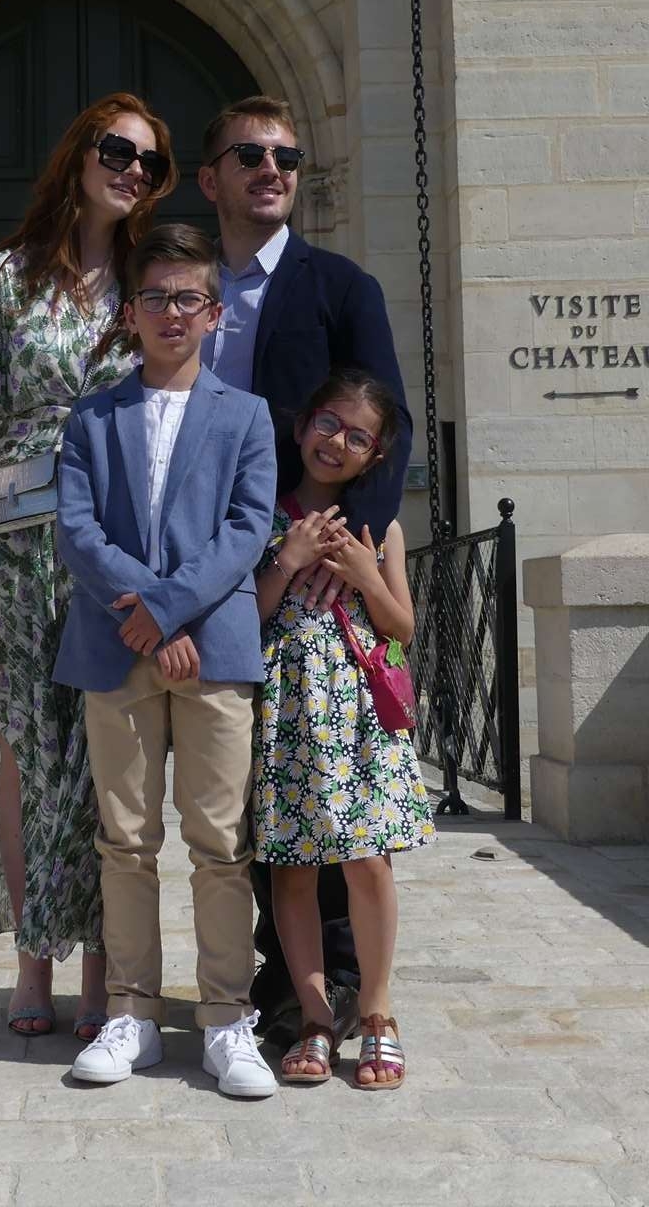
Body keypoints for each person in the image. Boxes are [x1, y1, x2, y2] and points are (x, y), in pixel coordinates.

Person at [0, 94, 178, 1042]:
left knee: (105, 754)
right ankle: (31, 955)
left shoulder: (154, 277)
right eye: (116, 149)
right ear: (77, 152)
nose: (131, 169)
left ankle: (103, 963)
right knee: (24, 754)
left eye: (150, 161)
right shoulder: (4, 277)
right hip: (17, 545)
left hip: (121, 537)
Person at [196, 93, 414, 1045]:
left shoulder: (342, 285)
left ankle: (323, 997)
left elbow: (389, 430)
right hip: (203, 567)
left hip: (305, 569)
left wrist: (343, 548)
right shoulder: (178, 289)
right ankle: (265, 975)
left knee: (322, 790)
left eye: (285, 156)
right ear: (213, 179)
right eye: (249, 156)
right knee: (248, 783)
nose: (271, 170)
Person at [53, 224, 279, 1098]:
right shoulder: (94, 414)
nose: (172, 312)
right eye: (156, 297)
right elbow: (77, 530)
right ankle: (133, 1012)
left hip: (214, 647)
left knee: (221, 842)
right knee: (126, 839)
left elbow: (246, 529)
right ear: (131, 311)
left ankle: (226, 1017)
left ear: (214, 313)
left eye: (189, 297)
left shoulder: (247, 415)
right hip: (115, 648)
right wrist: (144, 612)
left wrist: (168, 607)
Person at [252, 369, 435, 1089]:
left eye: (359, 436)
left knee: (366, 862)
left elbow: (404, 627)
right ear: (302, 427)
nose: (338, 441)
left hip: (357, 712)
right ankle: (315, 1016)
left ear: (374, 455)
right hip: (290, 709)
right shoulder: (263, 515)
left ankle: (380, 1012)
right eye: (329, 422)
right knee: (292, 869)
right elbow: (249, 616)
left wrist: (363, 571)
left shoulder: (378, 525)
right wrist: (288, 560)